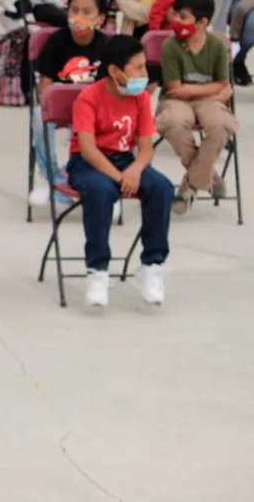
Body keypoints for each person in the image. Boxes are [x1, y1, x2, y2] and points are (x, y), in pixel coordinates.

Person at [67, 34, 173, 307]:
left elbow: (147, 149)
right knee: (100, 191)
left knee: (161, 187)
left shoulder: (139, 97)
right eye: (137, 68)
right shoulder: (88, 98)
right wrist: (119, 178)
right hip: (89, 162)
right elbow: (88, 149)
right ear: (115, 71)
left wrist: (134, 171)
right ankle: (98, 271)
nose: (143, 73)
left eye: (144, 66)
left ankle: (151, 264)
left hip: (126, 160)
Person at [158, 0, 237, 215]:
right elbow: (174, 89)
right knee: (172, 122)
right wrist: (215, 91)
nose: (176, 21)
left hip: (209, 102)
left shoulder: (217, 46)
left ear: (202, 23)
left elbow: (223, 83)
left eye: (183, 17)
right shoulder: (170, 46)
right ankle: (208, 175)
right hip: (176, 102)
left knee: (221, 125)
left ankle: (190, 184)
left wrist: (193, 90)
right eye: (176, 15)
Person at [31, 0, 111, 205]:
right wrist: (50, 101)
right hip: (61, 108)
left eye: (87, 12)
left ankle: (93, 184)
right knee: (38, 117)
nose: (79, 17)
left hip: (93, 110)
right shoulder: (56, 41)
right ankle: (49, 178)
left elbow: (111, 89)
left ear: (101, 18)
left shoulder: (107, 46)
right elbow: (45, 83)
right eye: (74, 10)